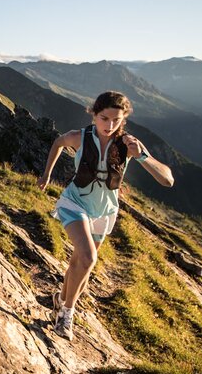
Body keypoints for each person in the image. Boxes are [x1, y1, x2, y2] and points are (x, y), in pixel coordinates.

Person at [36, 91, 174, 340]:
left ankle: (59, 300)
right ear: (93, 114)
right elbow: (58, 142)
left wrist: (142, 156)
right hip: (74, 203)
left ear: (124, 119)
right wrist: (47, 174)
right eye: (104, 118)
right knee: (88, 258)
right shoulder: (80, 137)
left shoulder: (128, 145)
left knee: (79, 267)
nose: (110, 125)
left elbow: (167, 180)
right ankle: (67, 314)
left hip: (104, 211)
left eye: (116, 120)